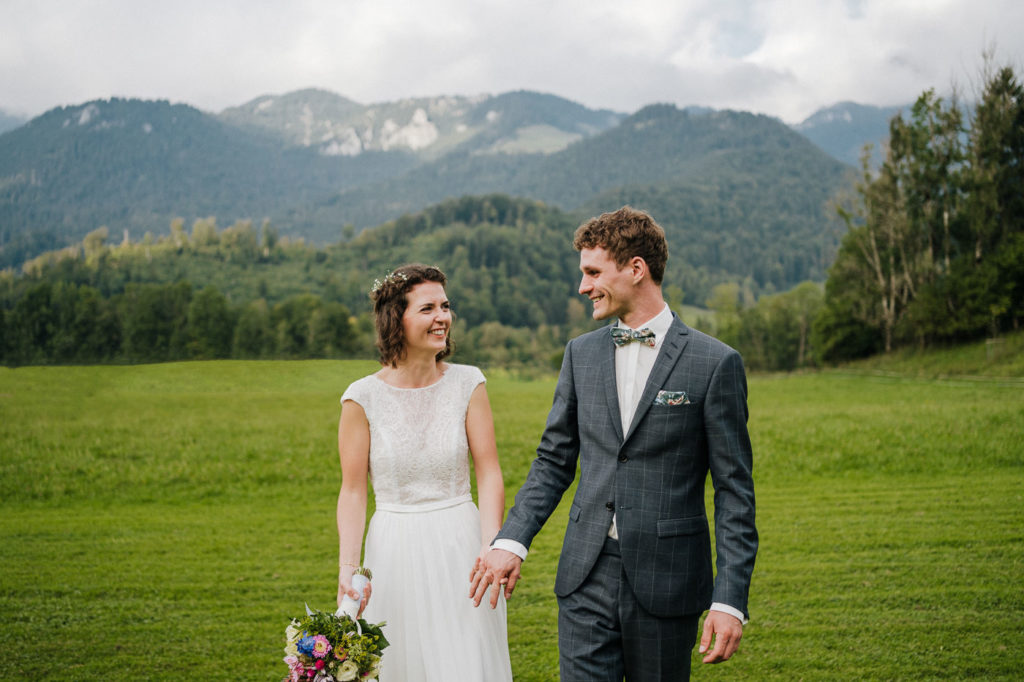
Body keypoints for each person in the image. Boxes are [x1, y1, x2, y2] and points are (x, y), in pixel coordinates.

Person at [470, 207, 758, 681]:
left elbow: (734, 492)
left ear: (636, 269)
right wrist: (512, 540)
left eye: (593, 272)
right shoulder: (580, 355)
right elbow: (553, 461)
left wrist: (729, 599)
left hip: (669, 578)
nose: (583, 287)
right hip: (586, 573)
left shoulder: (715, 363)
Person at [337, 263, 513, 681]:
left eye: (446, 307)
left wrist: (491, 547)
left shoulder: (469, 383)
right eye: (428, 308)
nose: (443, 318)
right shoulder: (360, 398)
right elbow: (353, 492)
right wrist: (349, 570)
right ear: (395, 318)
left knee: (465, 661)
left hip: (462, 546)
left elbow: (488, 472)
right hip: (392, 550)